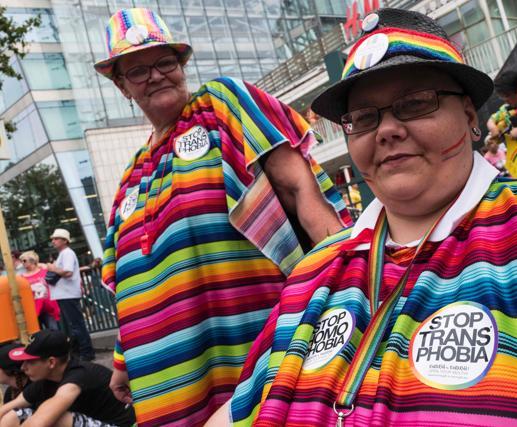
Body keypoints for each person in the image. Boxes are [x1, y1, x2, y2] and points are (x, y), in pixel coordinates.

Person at [210, 8, 517, 426]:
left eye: (415, 103)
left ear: (470, 117)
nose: (386, 129)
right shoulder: (311, 275)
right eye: (363, 117)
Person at [94, 8, 349, 426]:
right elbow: (129, 279)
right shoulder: (131, 177)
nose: (156, 75)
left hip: (249, 352)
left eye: (165, 62)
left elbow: (301, 187)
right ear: (121, 85)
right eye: (138, 70)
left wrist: (350, 282)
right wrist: (122, 357)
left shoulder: (220, 105)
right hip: (164, 384)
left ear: (181, 65)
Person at [0, 330, 135, 427]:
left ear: (51, 362)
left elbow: (39, 422)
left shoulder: (79, 375)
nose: (23, 367)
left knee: (57, 419)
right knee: (13, 416)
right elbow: (9, 408)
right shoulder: (46, 379)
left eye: (30, 362)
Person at [46, 229, 95, 361]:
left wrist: (52, 268)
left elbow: (67, 272)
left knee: (76, 324)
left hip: (67, 294)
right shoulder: (65, 253)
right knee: (74, 324)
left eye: (56, 238)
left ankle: (85, 352)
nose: (53, 241)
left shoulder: (67, 253)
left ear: (64, 241)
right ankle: (81, 351)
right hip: (65, 294)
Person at [19, 251, 60, 331]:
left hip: (48, 308)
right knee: (37, 334)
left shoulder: (44, 272)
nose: (22, 263)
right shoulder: (21, 278)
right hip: (33, 310)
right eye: (21, 261)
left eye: (24, 260)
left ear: (32, 260)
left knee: (54, 331)